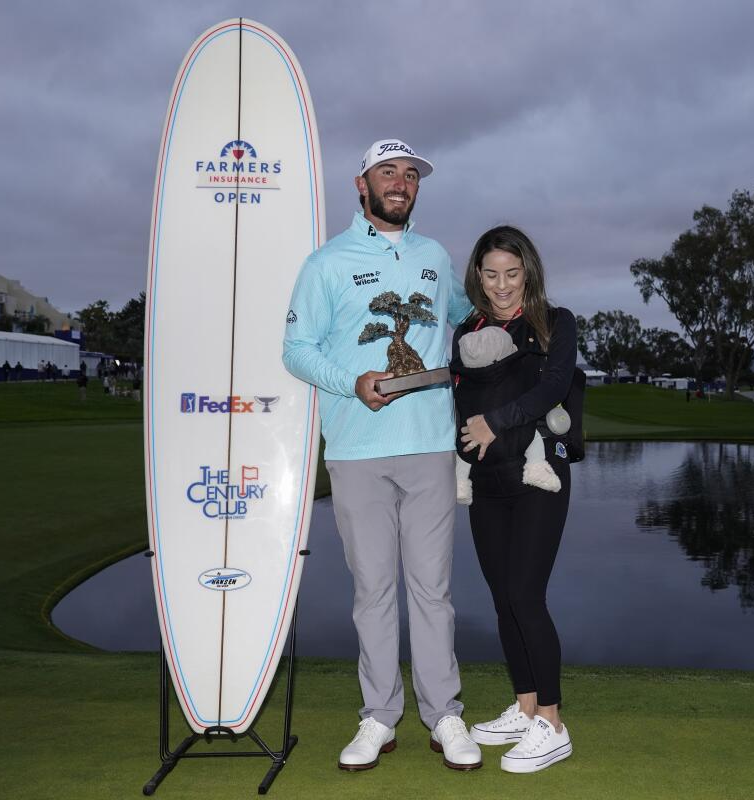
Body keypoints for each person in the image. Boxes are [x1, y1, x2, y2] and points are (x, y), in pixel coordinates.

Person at [282, 139, 480, 771]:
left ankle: (444, 714)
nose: (401, 182)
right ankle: (378, 717)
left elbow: (468, 311)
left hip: (428, 444)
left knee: (433, 591)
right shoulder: (326, 263)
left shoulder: (433, 256)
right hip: (357, 449)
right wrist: (353, 382)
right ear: (360, 184)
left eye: (410, 175)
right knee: (372, 592)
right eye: (387, 172)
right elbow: (297, 349)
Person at [449, 226, 578, 773]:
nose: (502, 286)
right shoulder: (468, 329)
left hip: (539, 476)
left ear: (529, 271)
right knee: (503, 598)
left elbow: (550, 388)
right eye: (491, 274)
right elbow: (454, 396)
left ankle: (552, 723)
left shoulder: (556, 322)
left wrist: (493, 424)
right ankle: (525, 706)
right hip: (486, 482)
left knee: (526, 595)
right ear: (478, 276)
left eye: (512, 273)